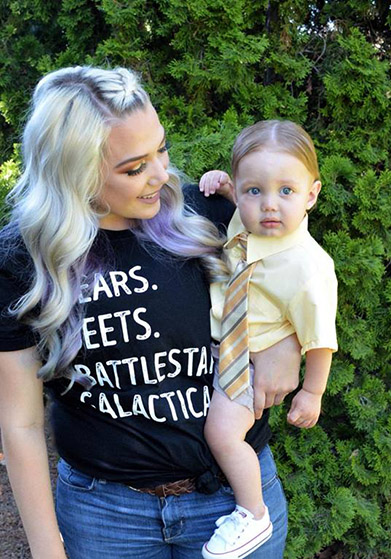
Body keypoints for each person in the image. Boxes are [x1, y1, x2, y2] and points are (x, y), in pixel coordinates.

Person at [0, 66, 301, 559]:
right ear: (74, 171)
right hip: (105, 518)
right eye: (133, 167)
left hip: (234, 504)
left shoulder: (209, 217)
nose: (163, 174)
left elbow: (302, 274)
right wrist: (46, 548)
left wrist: (288, 344)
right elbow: (22, 425)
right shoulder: (23, 261)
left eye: (160, 148)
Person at [198, 120, 338, 559]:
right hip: (224, 348)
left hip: (250, 360)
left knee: (222, 433)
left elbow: (319, 340)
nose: (270, 206)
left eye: (286, 192)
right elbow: (243, 198)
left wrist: (312, 392)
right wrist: (220, 186)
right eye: (254, 191)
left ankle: (252, 514)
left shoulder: (308, 267)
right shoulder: (248, 218)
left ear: (311, 195)